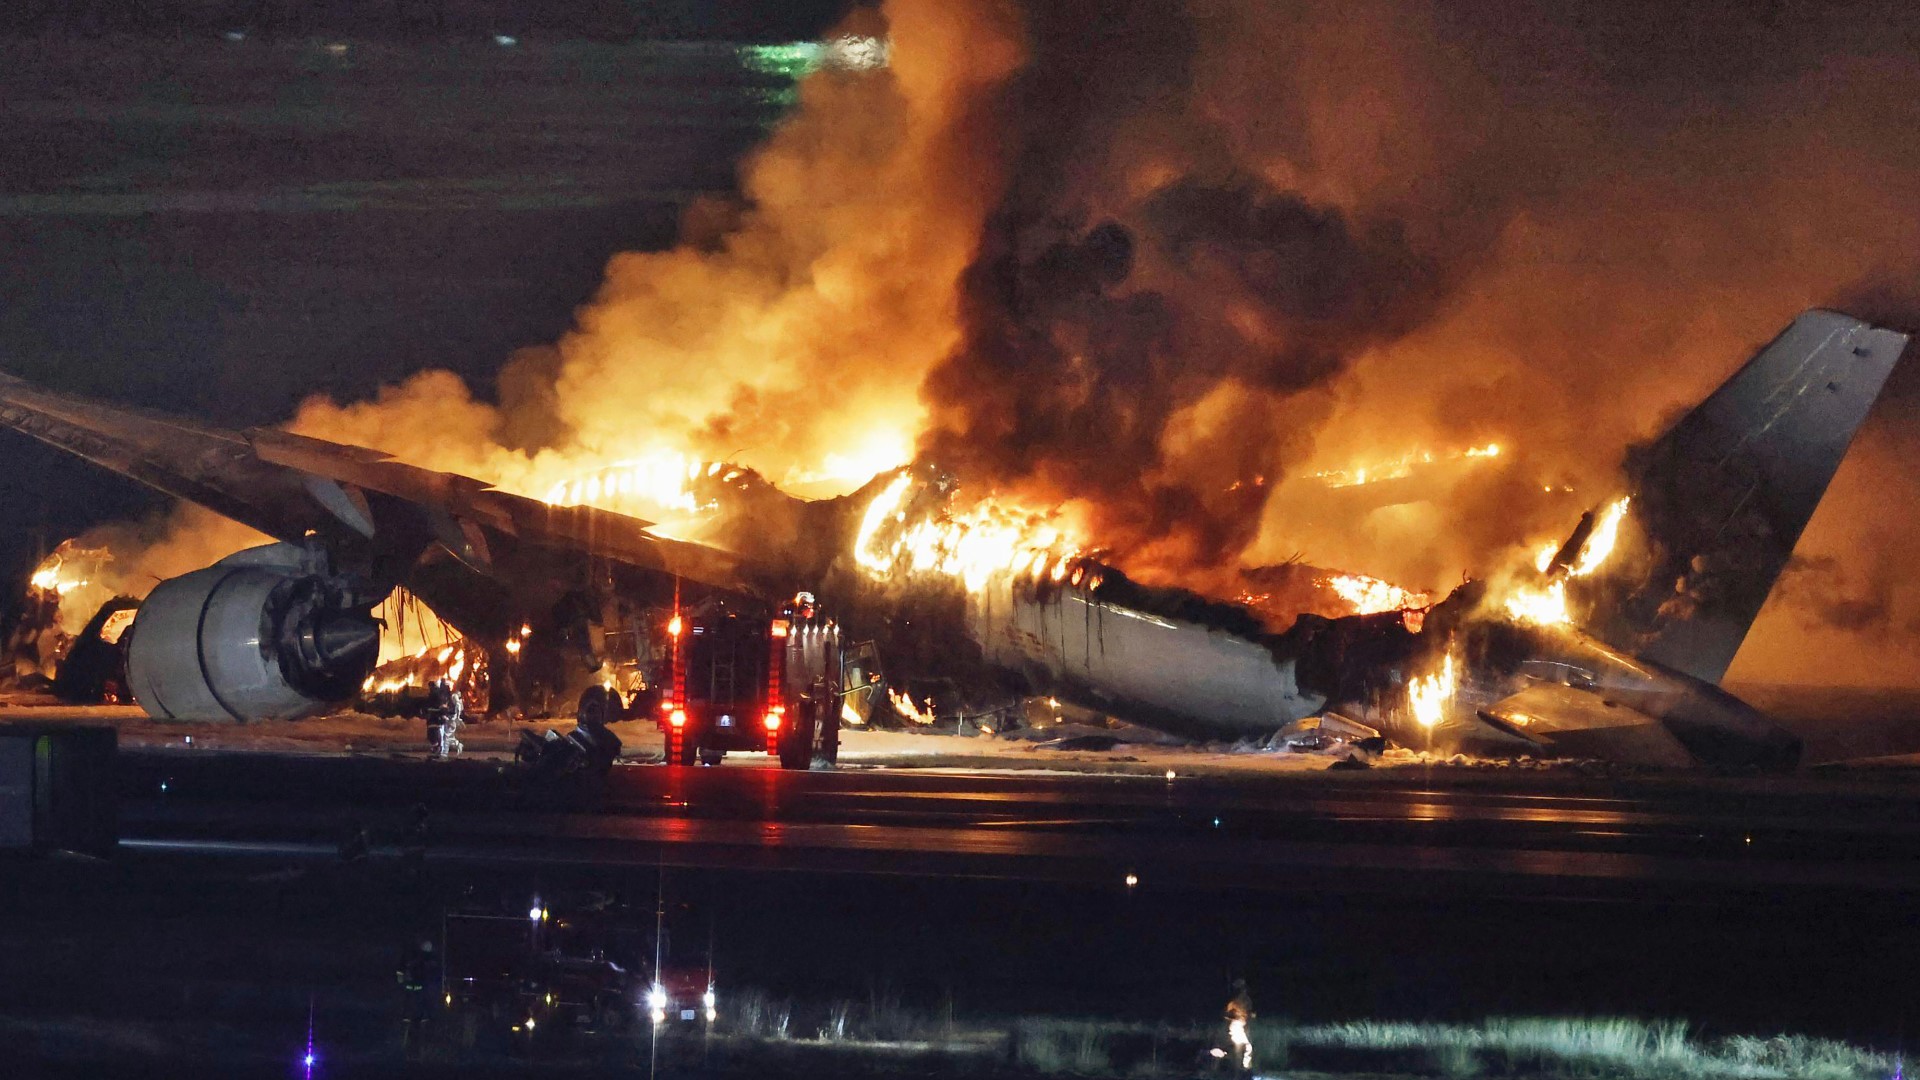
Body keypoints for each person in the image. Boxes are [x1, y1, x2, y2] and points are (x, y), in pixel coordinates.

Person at [1224, 978, 1255, 1072]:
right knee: (1239, 1047)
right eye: (1242, 988)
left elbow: (1249, 1012)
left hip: (1244, 1025)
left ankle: (1244, 1068)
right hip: (1237, 1026)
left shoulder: (1246, 1000)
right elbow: (1227, 1015)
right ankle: (1238, 1069)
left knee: (1247, 1047)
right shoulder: (1233, 1002)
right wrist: (1235, 1017)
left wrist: (1249, 1017)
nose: (1244, 990)